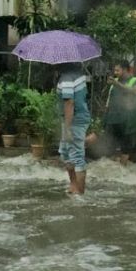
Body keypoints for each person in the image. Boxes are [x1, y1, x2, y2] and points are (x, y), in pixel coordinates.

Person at [56, 62, 91, 195]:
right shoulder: (78, 75)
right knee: (66, 154)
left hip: (73, 121)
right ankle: (74, 186)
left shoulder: (67, 79)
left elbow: (69, 102)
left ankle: (80, 193)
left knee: (76, 156)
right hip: (72, 120)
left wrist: (68, 129)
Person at [104, 61, 136, 163]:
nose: (115, 72)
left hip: (127, 119)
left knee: (126, 146)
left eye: (117, 70)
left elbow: (134, 91)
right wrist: (106, 113)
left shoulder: (135, 80)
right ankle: (117, 173)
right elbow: (109, 99)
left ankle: (123, 172)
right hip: (113, 119)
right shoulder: (114, 81)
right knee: (113, 146)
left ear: (125, 69)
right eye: (114, 70)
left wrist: (117, 84)